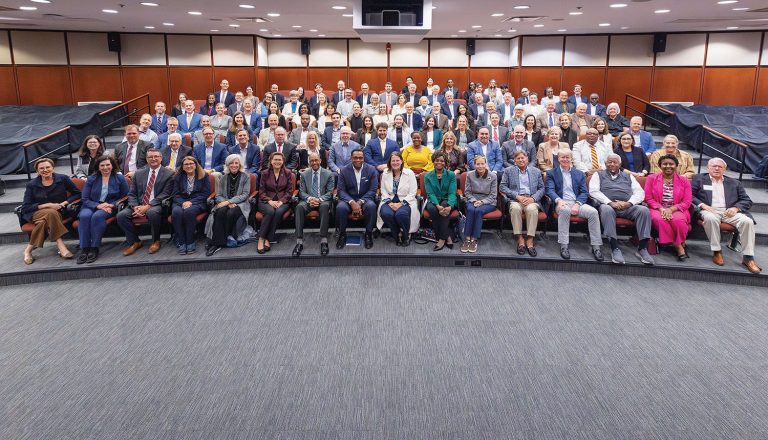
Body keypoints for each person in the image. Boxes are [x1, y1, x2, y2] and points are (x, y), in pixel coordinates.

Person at [691, 157, 761, 273]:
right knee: (710, 218)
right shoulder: (698, 179)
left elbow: (746, 200)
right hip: (709, 210)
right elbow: (689, 196)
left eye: (720, 166)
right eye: (714, 166)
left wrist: (736, 208)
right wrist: (703, 205)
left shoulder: (734, 182)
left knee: (747, 221)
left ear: (724, 169)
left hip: (729, 212)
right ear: (708, 168)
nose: (717, 168)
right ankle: (717, 251)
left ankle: (748, 258)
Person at [589, 154, 655, 265]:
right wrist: (610, 203)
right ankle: (614, 248)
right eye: (609, 162)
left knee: (643, 210)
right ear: (605, 164)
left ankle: (642, 248)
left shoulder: (628, 176)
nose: (612, 164)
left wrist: (629, 203)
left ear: (620, 164)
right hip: (608, 205)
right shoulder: (598, 175)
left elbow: (639, 192)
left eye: (615, 162)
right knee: (606, 209)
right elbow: (593, 191)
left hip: (627, 206)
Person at [20, 158, 81, 264]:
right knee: (50, 212)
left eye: (47, 167)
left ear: (52, 168)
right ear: (37, 171)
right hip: (36, 213)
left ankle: (27, 251)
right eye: (41, 168)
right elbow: (26, 207)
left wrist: (65, 203)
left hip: (59, 212)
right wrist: (46, 205)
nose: (45, 170)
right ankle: (61, 246)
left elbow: (77, 193)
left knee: (45, 222)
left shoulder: (62, 178)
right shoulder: (32, 184)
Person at [546, 150, 604, 261]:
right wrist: (559, 200)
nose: (565, 159)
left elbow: (584, 192)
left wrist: (578, 204)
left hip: (577, 202)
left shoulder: (579, 174)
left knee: (593, 212)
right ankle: (564, 245)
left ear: (571, 159)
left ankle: (596, 247)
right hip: (561, 202)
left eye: (568, 157)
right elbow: (550, 190)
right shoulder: (551, 173)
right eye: (562, 157)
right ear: (558, 159)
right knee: (564, 210)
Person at [117, 148, 174, 256]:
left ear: (161, 158)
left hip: (156, 204)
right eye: (150, 157)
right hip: (138, 204)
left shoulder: (169, 174)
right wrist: (135, 207)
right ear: (146, 159)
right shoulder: (139, 173)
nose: (153, 159)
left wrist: (147, 206)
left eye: (156, 156)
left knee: (152, 213)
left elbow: (165, 194)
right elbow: (132, 193)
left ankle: (155, 241)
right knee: (121, 215)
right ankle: (135, 241)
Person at [76, 155, 129, 264]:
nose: (105, 167)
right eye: (102, 165)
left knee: (97, 216)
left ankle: (94, 247)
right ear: (98, 167)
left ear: (112, 165)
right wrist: (97, 205)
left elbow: (126, 196)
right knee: (84, 216)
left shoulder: (119, 178)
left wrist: (112, 205)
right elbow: (84, 198)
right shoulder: (92, 178)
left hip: (110, 206)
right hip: (91, 205)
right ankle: (84, 248)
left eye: (108, 165)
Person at [645, 154, 692, 261]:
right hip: (657, 208)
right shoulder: (652, 178)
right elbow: (648, 198)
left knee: (679, 221)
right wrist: (661, 209)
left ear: (676, 166)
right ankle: (678, 246)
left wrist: (671, 209)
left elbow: (687, 201)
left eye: (671, 164)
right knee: (660, 219)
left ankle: (675, 242)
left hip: (677, 208)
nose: (668, 166)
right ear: (660, 165)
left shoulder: (684, 180)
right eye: (664, 164)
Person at [204, 154, 251, 257]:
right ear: (228, 165)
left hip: (241, 204)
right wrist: (226, 202)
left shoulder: (245, 176)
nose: (234, 165)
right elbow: (219, 195)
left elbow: (245, 194)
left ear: (240, 165)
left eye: (236, 163)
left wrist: (228, 202)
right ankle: (219, 242)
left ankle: (216, 242)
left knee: (231, 213)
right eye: (231, 163)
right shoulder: (223, 177)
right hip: (224, 202)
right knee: (219, 212)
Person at [500, 150, 545, 256]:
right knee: (515, 208)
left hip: (531, 199)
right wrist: (517, 196)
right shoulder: (508, 171)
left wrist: (533, 198)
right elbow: (502, 186)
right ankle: (520, 238)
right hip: (516, 199)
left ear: (527, 159)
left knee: (532, 209)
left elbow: (542, 188)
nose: (521, 160)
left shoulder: (536, 171)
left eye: (523, 158)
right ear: (514, 161)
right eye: (518, 158)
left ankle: (530, 239)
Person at [293, 152, 334, 257]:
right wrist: (310, 199)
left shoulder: (328, 174)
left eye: (316, 160)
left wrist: (319, 199)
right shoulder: (304, 174)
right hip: (308, 200)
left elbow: (330, 192)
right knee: (299, 207)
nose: (314, 162)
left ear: (320, 160)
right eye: (312, 161)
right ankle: (299, 241)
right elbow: (301, 192)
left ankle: (323, 240)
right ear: (309, 162)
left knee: (325, 206)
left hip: (322, 200)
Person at [336, 148, 378, 249]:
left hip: (365, 199)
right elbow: (340, 190)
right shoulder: (344, 170)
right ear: (351, 158)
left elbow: (373, 190)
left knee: (371, 206)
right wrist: (351, 202)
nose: (358, 160)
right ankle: (342, 234)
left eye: (360, 158)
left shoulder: (371, 170)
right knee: (340, 207)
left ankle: (368, 233)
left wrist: (359, 202)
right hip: (348, 200)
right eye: (355, 158)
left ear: (364, 158)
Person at [377, 152, 419, 246]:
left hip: (406, 201)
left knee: (401, 214)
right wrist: (389, 203)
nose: (395, 163)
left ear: (401, 161)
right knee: (386, 213)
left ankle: (405, 235)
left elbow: (413, 192)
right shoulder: (385, 172)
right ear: (390, 162)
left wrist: (401, 204)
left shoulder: (409, 173)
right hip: (389, 200)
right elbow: (383, 190)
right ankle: (396, 234)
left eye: (397, 160)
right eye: (393, 161)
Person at [170, 156, 210, 254]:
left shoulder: (203, 175)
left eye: (191, 164)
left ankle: (190, 240)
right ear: (182, 167)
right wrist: (183, 202)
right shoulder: (178, 176)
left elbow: (205, 193)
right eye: (186, 164)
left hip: (197, 202)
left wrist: (191, 202)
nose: (189, 166)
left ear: (196, 165)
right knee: (176, 212)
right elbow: (175, 194)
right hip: (181, 202)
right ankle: (182, 241)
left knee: (189, 212)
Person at [257, 152, 293, 254]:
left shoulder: (288, 173)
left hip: (283, 201)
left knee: (277, 212)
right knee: (270, 212)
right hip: (266, 200)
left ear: (283, 161)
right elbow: (261, 191)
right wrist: (269, 201)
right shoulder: (265, 173)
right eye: (275, 160)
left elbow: (289, 192)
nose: (277, 162)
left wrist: (281, 201)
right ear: (271, 161)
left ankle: (268, 238)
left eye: (279, 160)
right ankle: (261, 238)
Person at [461, 155, 498, 253]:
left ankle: (474, 239)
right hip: (473, 199)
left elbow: (493, 195)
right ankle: (467, 238)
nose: (480, 166)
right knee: (470, 209)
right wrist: (474, 200)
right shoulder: (470, 174)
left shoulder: (493, 176)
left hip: (488, 201)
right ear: (474, 165)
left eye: (482, 164)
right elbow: (467, 192)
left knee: (478, 210)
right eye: (478, 164)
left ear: (485, 164)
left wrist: (482, 202)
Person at [424, 152, 457, 251]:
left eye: (442, 161)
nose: (439, 162)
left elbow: (452, 193)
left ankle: (441, 239)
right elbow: (430, 193)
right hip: (434, 200)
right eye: (437, 160)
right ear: (433, 162)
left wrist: (450, 206)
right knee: (432, 209)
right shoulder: (428, 176)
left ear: (445, 162)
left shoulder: (451, 175)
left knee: (444, 205)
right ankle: (446, 236)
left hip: (448, 200)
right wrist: (437, 206)